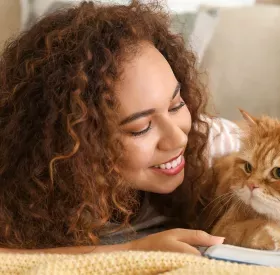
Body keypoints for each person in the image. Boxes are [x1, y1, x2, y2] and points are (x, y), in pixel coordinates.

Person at [0, 1, 240, 254]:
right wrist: (133, 249)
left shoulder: (204, 141)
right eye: (141, 128)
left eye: (176, 104)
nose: (177, 139)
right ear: (74, 142)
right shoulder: (22, 181)